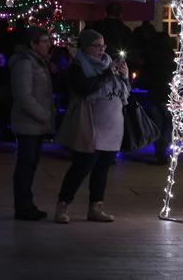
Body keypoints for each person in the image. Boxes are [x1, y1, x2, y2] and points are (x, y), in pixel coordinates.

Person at [54, 29, 129, 223]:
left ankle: (96, 207)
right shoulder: (79, 66)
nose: (102, 49)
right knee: (82, 166)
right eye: (97, 45)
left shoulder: (108, 64)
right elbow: (84, 88)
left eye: (103, 45)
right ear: (86, 47)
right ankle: (63, 206)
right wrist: (107, 73)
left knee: (102, 169)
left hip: (112, 126)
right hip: (90, 125)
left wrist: (125, 77)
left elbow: (124, 93)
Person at [8, 27, 56, 221]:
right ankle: (23, 206)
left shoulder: (38, 62)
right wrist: (43, 115)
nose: (48, 45)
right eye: (44, 41)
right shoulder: (26, 64)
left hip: (36, 123)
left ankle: (26, 204)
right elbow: (23, 96)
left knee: (30, 164)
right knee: (26, 165)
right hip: (29, 122)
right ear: (33, 44)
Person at [142, 30, 175, 165]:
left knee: (157, 123)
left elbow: (145, 74)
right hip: (167, 93)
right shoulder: (170, 57)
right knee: (168, 123)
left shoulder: (151, 56)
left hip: (154, 92)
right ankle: (162, 149)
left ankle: (159, 149)